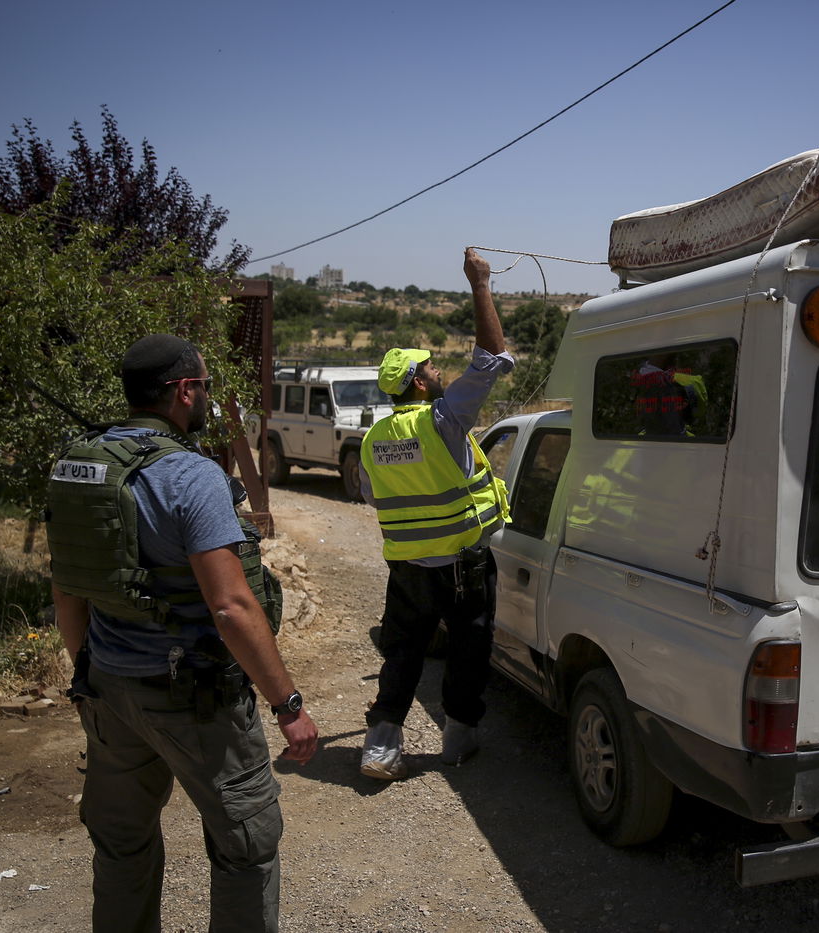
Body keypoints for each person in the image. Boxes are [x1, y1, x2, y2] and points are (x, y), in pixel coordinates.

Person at [47, 334, 318, 933]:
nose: (206, 400)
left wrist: (91, 671)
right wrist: (287, 703)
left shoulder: (78, 465)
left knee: (121, 846)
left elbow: (67, 590)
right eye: (204, 388)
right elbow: (231, 608)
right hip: (194, 697)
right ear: (184, 391)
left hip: (109, 688)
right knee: (246, 846)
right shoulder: (190, 475)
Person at [356, 247, 513, 779]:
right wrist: (481, 284)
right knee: (469, 653)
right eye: (430, 366)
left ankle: (380, 748)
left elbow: (374, 498)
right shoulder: (443, 422)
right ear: (419, 383)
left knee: (401, 655)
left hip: (407, 570)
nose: (438, 368)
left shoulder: (373, 438)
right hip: (462, 568)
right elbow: (492, 355)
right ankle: (457, 743)